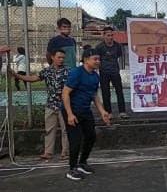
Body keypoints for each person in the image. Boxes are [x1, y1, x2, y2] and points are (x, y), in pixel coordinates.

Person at [10, 49, 70, 161]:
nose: (61, 60)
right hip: (51, 104)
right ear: (52, 57)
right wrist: (17, 76)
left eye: (63, 58)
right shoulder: (47, 71)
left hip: (64, 105)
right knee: (49, 129)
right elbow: (33, 78)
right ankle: (48, 152)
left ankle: (65, 152)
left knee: (66, 129)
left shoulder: (68, 71)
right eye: (59, 57)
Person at [62, 48, 111, 181]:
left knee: (91, 136)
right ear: (86, 60)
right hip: (72, 110)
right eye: (95, 59)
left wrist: (102, 111)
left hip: (85, 110)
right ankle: (72, 169)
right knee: (76, 141)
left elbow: (94, 94)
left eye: (99, 59)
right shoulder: (76, 73)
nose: (98, 61)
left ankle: (82, 163)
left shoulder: (95, 76)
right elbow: (65, 93)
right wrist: (70, 114)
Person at [95, 27, 128, 119]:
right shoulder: (99, 47)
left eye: (112, 35)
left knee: (119, 91)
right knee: (106, 93)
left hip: (115, 72)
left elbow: (118, 56)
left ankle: (122, 112)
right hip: (104, 72)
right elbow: (97, 59)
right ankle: (108, 113)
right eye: (108, 35)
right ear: (104, 36)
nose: (110, 37)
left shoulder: (117, 46)